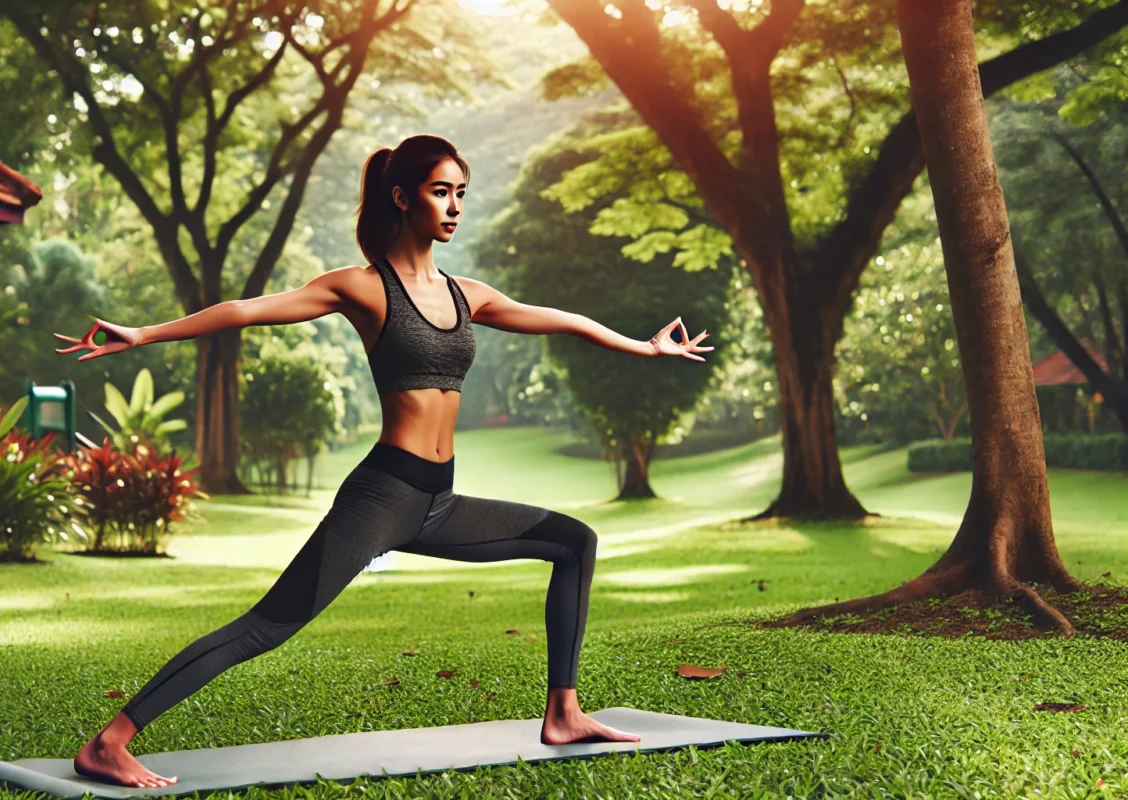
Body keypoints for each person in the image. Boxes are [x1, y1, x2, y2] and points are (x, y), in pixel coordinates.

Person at [54, 134, 713, 788]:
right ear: (403, 197)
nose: (454, 206)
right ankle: (110, 742)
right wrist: (143, 333)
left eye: (461, 193)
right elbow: (246, 310)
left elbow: (556, 317)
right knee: (270, 624)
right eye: (440, 192)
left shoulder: (467, 295)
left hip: (440, 503)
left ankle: (564, 713)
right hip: (382, 497)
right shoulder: (363, 288)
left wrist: (643, 348)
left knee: (574, 543)